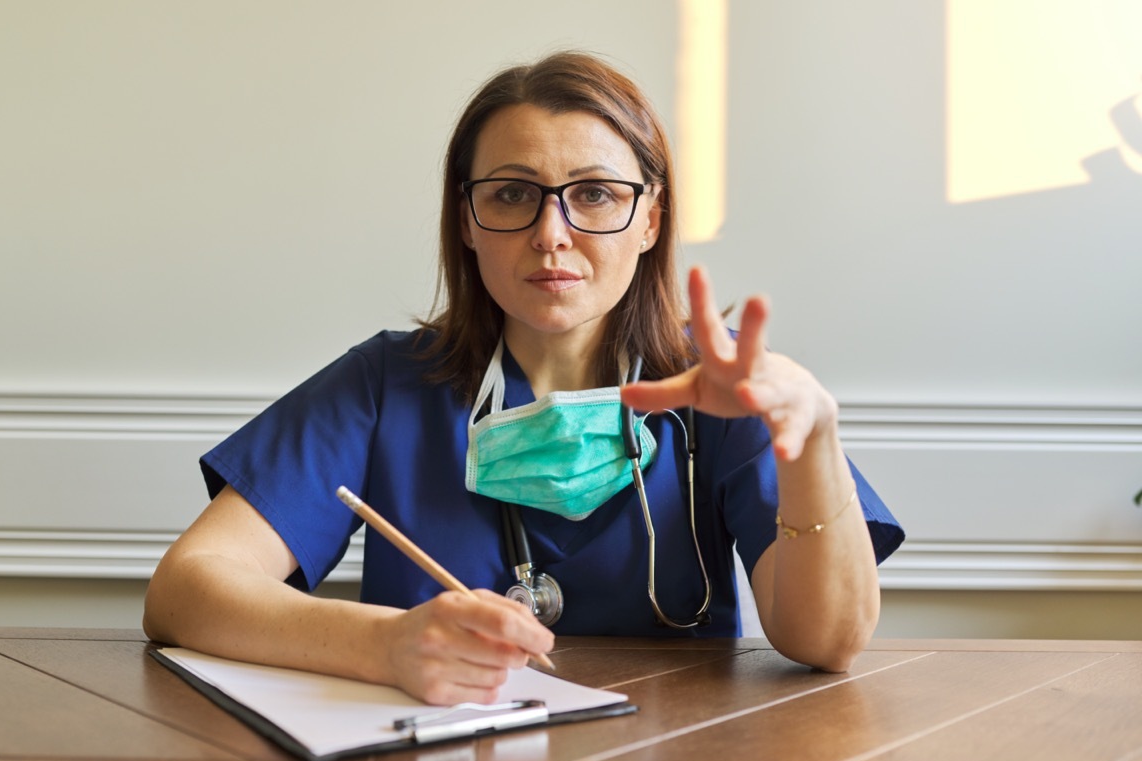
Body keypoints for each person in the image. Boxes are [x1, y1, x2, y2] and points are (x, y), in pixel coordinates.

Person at [143, 50, 903, 706]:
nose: (551, 233)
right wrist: (384, 644)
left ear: (651, 220)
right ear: (467, 220)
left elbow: (828, 642)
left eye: (595, 194)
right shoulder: (382, 386)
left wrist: (815, 441)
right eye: (511, 194)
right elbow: (186, 590)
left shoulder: (727, 386)